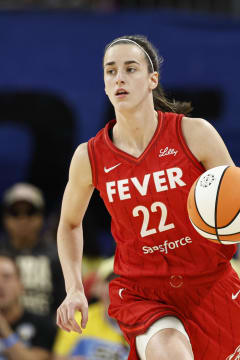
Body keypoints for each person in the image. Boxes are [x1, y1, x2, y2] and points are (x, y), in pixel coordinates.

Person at [56, 34, 240, 360]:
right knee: (170, 351)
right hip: (143, 292)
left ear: (152, 79)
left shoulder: (193, 134)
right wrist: (74, 288)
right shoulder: (90, 156)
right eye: (110, 71)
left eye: (130, 68)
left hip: (210, 281)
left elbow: (235, 200)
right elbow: (70, 224)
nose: (119, 78)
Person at [0, 182, 65, 317]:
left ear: (41, 217)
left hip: (48, 334)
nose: (23, 219)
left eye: (30, 212)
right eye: (15, 213)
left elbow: (66, 303)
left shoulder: (58, 256)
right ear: (5, 219)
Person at [53, 256, 129, 359]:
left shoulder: (148, 324)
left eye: (125, 282)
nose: (117, 290)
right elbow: (58, 357)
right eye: (111, 281)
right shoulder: (78, 321)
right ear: (96, 288)